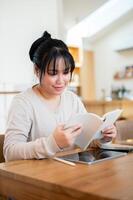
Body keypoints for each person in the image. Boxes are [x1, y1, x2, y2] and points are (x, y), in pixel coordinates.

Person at [3, 31, 117, 161]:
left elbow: (84, 142)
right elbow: (10, 152)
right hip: (37, 177)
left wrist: (102, 138)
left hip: (71, 174)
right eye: (53, 73)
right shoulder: (23, 102)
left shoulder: (72, 99)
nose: (61, 80)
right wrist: (52, 144)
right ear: (37, 70)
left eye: (66, 72)